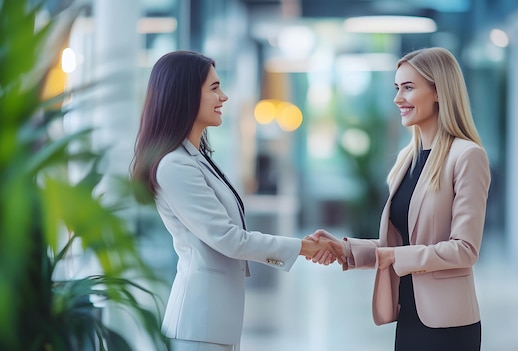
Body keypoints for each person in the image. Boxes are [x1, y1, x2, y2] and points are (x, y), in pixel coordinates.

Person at [130, 50, 340, 351]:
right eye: (214, 89)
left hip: (215, 323)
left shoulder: (195, 158)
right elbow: (229, 239)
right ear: (186, 94)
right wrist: (303, 247)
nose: (224, 97)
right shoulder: (175, 165)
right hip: (198, 324)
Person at [310, 47, 491, 351]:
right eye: (397, 88)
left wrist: (395, 258)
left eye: (408, 88)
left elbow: (465, 249)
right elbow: (400, 244)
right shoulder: (408, 159)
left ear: (438, 92)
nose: (397, 99)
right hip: (409, 317)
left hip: (448, 326)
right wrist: (346, 249)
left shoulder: (467, 156)